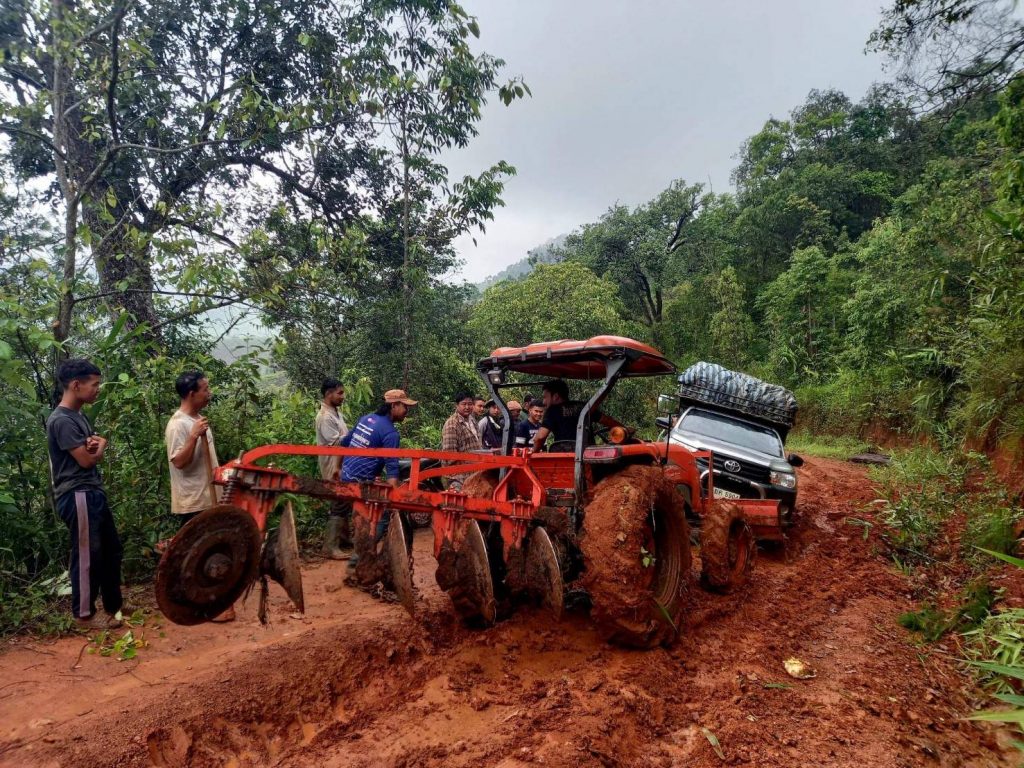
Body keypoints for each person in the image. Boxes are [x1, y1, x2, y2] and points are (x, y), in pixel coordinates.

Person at [47, 358, 124, 630]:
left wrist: (94, 444)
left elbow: (87, 449)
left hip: (91, 491)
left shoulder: (78, 417)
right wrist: (101, 446)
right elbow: (87, 460)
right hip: (77, 493)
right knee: (87, 554)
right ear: (76, 385)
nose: (97, 389)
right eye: (94, 384)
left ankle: (114, 605)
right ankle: (84, 615)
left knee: (111, 549)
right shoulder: (61, 420)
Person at [165, 370, 234, 622]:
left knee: (209, 550)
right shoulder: (178, 425)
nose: (209, 393)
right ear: (191, 393)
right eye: (205, 389)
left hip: (208, 496)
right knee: (195, 556)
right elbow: (179, 462)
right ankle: (195, 604)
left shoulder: (198, 419)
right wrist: (193, 436)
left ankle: (210, 602)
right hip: (193, 500)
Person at [341, 389, 417, 564]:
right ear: (394, 405)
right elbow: (392, 470)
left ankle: (362, 553)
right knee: (383, 515)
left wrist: (339, 469)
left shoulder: (366, 418)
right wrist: (395, 499)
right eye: (405, 406)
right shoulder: (390, 433)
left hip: (347, 475)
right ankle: (358, 558)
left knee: (363, 517)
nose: (407, 411)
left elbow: (345, 442)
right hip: (362, 482)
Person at [532, 379, 622, 452]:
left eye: (545, 397)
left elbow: (540, 437)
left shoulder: (552, 411)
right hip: (587, 457)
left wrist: (534, 453)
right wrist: (625, 429)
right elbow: (608, 421)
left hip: (562, 459)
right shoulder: (584, 407)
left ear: (555, 396)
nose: (543, 402)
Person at [315, 378, 350, 559]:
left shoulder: (336, 413)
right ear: (329, 394)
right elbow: (337, 443)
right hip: (333, 466)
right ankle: (330, 546)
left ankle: (343, 539)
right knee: (339, 501)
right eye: (340, 393)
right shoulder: (325, 417)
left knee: (345, 499)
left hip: (342, 464)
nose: (343, 396)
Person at [441, 391, 483, 487]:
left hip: (474, 472)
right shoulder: (452, 424)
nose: (467, 407)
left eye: (470, 404)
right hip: (458, 476)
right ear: (457, 405)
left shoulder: (472, 420)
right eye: (464, 404)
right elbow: (449, 456)